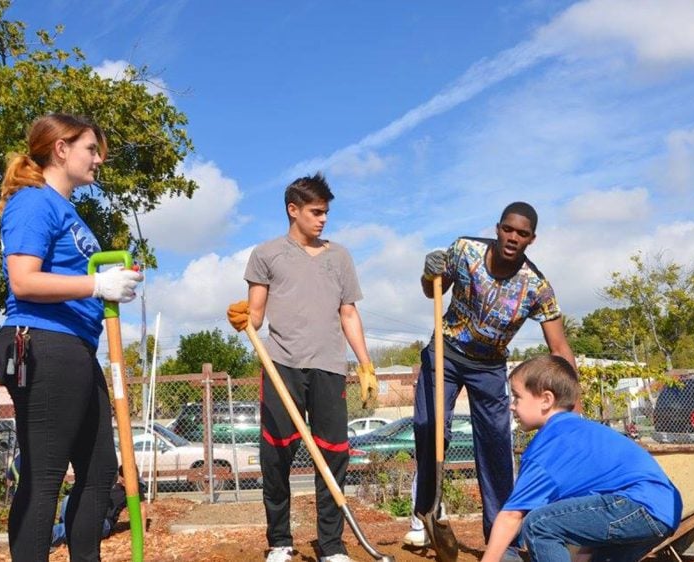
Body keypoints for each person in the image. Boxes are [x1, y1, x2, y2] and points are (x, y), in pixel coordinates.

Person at [0, 113, 142, 561]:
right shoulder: (33, 201)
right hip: (42, 342)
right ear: (61, 149)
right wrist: (96, 285)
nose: (98, 160)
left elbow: (74, 273)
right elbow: (23, 280)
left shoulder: (66, 209)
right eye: (91, 149)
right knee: (45, 475)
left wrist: (106, 279)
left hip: (77, 346)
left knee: (98, 473)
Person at [226, 172, 378, 562]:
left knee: (334, 453)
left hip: (329, 366)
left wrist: (365, 364)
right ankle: (279, 541)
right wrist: (242, 318)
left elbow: (348, 312)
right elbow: (256, 317)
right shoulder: (266, 254)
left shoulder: (339, 256)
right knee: (275, 456)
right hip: (281, 365)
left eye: (326, 212)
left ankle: (331, 546)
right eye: (315, 212)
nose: (323, 219)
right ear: (293, 211)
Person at [413, 202, 576, 556]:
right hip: (446, 352)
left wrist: (573, 402)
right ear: (498, 228)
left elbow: (559, 346)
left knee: (496, 447)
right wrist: (429, 274)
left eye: (522, 233)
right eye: (508, 229)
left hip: (489, 367)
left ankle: (503, 539)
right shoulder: (465, 250)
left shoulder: (536, 286)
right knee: (429, 427)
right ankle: (425, 516)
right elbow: (432, 290)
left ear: (532, 239)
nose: (513, 237)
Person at [481, 355, 681, 562]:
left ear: (546, 400)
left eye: (517, 397)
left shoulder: (548, 447)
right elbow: (589, 509)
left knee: (538, 524)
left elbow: (511, 517)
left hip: (638, 504)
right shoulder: (581, 431)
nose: (511, 406)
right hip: (663, 511)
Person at [51, 475, 145, 549]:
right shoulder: (108, 481)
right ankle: (61, 535)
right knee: (68, 499)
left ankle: (51, 535)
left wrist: (143, 531)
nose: (123, 479)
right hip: (88, 514)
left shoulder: (132, 488)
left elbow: (141, 508)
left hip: (104, 522)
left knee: (80, 525)